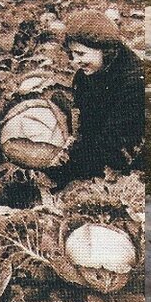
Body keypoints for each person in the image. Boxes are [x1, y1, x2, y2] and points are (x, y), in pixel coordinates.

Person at [50, 11, 144, 186]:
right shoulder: (86, 74)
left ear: (104, 49)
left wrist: (69, 167)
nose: (75, 61)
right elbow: (85, 127)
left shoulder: (134, 82)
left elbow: (114, 142)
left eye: (81, 54)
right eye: (72, 54)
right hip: (100, 147)